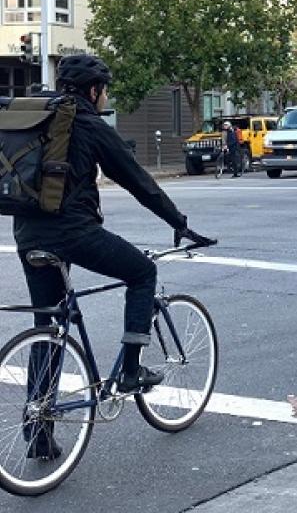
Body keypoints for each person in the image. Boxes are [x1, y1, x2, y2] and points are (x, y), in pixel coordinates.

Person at [13, 55, 211, 459]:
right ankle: (131, 370)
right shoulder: (87, 124)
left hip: (26, 232)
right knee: (141, 272)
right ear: (93, 90)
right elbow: (137, 180)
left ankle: (38, 430)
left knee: (48, 324)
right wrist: (179, 221)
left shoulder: (36, 118)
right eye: (105, 90)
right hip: (73, 232)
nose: (107, 97)